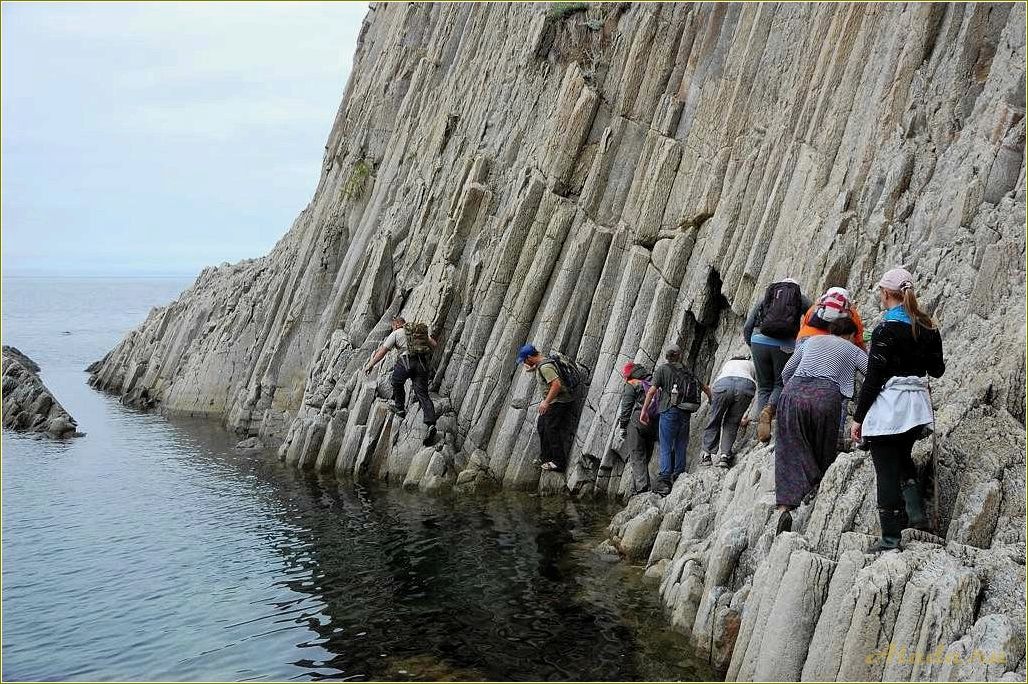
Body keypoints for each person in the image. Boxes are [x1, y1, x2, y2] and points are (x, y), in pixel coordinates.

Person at [851, 268, 944, 552]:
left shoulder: (885, 329)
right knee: (903, 458)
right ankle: (917, 517)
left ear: (886, 293)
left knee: (886, 471)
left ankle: (890, 538)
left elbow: (873, 378)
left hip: (890, 408)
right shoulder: (927, 327)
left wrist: (858, 418)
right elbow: (937, 370)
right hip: (916, 409)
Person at [774, 317, 868, 533]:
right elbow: (872, 372)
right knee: (823, 448)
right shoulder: (852, 349)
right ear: (850, 335)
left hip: (793, 393)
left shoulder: (810, 341)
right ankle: (816, 488)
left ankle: (785, 507)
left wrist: (795, 391)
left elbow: (786, 371)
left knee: (789, 448)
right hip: (825, 397)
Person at [744, 278, 812, 443]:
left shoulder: (766, 297)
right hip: (785, 343)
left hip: (758, 341)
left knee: (764, 387)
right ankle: (769, 411)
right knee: (780, 383)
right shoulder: (800, 298)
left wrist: (751, 343)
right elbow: (814, 316)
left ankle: (761, 432)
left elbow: (748, 325)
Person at [640, 345, 711, 496]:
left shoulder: (663, 370)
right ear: (679, 355)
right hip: (685, 412)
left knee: (666, 445)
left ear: (667, 356)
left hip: (668, 411)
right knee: (681, 444)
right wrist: (711, 400)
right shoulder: (687, 371)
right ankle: (679, 474)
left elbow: (651, 391)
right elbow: (705, 388)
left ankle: (665, 481)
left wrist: (644, 410)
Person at [364, 317, 438, 443]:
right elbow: (434, 345)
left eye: (393, 326)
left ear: (398, 324)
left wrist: (370, 364)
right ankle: (431, 423)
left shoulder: (396, 333)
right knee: (423, 394)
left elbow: (382, 352)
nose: (392, 328)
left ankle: (400, 408)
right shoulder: (417, 331)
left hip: (405, 362)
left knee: (396, 382)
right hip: (421, 364)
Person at [518, 343, 576, 472]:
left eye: (524, 361)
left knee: (551, 429)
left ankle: (558, 462)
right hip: (554, 401)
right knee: (542, 426)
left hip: (558, 401)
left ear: (529, 357)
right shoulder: (543, 363)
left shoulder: (545, 367)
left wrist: (546, 402)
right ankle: (546, 457)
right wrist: (533, 368)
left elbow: (556, 385)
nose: (524, 363)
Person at [701, 354, 757, 469]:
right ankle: (724, 456)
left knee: (715, 419)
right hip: (745, 386)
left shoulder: (728, 364)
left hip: (723, 384)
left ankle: (707, 455)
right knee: (732, 422)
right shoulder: (751, 364)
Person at [617, 361, 658, 494]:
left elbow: (626, 407)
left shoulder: (632, 383)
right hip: (655, 421)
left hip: (639, 420)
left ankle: (642, 488)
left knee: (637, 453)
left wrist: (623, 427)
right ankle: (643, 485)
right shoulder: (652, 379)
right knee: (647, 453)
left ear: (628, 375)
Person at [796, 286, 867, 350]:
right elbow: (858, 339)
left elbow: (805, 324)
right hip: (831, 345)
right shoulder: (850, 313)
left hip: (804, 338)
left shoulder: (816, 307)